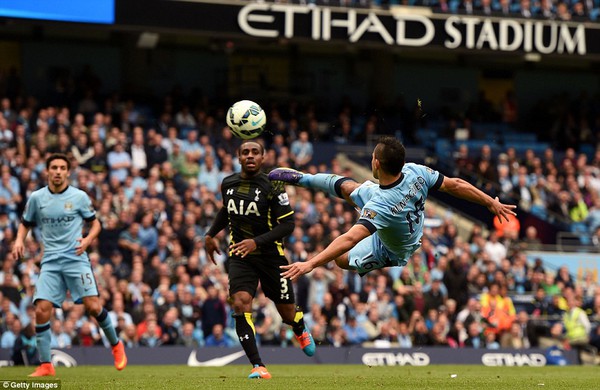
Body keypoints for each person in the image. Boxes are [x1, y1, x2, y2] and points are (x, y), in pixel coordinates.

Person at [270, 136, 517, 280]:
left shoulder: (381, 205)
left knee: (341, 260)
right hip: (392, 209)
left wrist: (310, 263)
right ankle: (301, 178)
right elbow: (456, 184)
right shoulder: (415, 171)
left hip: (391, 250)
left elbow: (349, 238)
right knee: (349, 188)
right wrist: (490, 201)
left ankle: (307, 181)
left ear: (376, 163)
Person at [204, 141, 315, 380]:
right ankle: (257, 365)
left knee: (287, 313)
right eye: (246, 152)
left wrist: (256, 241)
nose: (250, 156)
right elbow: (226, 211)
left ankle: (299, 327)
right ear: (238, 157)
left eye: (255, 152)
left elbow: (288, 224)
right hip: (240, 256)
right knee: (240, 302)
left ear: (263, 158)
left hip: (271, 257)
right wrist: (211, 234)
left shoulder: (273, 185)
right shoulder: (229, 183)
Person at [12, 153, 127, 377]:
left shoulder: (79, 197)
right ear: (47, 171)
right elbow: (25, 224)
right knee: (41, 309)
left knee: (93, 306)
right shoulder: (37, 198)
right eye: (53, 167)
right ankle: (46, 365)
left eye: (62, 168)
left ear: (67, 172)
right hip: (51, 261)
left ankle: (116, 345)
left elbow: (96, 225)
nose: (57, 171)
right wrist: (18, 241)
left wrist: (87, 241)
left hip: (76, 258)